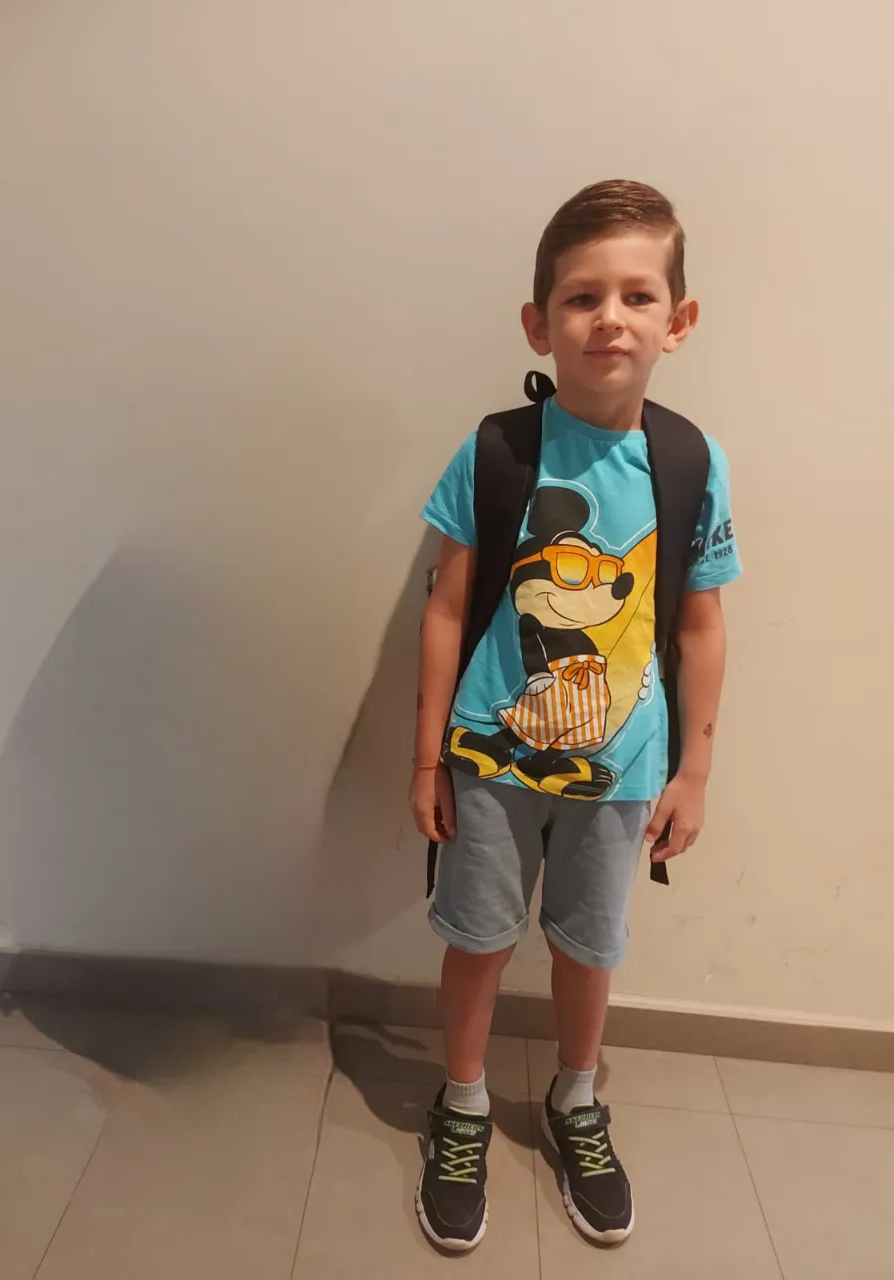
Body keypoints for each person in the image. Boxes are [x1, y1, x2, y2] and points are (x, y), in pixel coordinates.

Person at [410, 180, 742, 1252]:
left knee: (589, 945)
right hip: (492, 764)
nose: (610, 317)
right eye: (581, 296)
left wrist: (693, 770)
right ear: (538, 322)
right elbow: (449, 604)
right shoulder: (500, 449)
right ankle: (461, 1105)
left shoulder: (691, 462)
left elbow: (698, 626)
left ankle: (576, 1099)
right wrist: (426, 760)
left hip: (626, 770)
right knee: (477, 939)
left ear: (677, 323)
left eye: (638, 294)